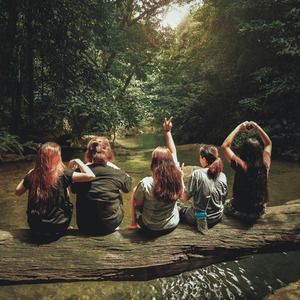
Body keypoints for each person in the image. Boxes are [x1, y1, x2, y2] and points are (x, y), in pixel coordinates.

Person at [15, 142, 95, 237]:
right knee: (65, 188)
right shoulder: (63, 174)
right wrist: (78, 161)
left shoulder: (32, 174)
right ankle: (66, 226)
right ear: (57, 158)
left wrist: (29, 174)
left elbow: (18, 192)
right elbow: (91, 175)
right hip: (58, 226)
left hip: (35, 226)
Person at [129, 117, 183, 236]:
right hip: (172, 224)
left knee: (134, 192)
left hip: (150, 227)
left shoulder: (146, 183)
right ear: (170, 162)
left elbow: (138, 205)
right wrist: (167, 132)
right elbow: (173, 152)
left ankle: (133, 223)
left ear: (154, 163)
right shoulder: (177, 175)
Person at [71, 136, 132, 234]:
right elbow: (128, 187)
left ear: (89, 153)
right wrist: (113, 166)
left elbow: (73, 190)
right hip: (109, 225)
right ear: (108, 152)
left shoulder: (80, 173)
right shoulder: (117, 172)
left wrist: (75, 171)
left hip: (84, 225)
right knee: (117, 189)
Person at [221, 121, 272, 222]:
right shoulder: (264, 165)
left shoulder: (240, 165)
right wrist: (257, 127)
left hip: (239, 211)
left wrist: (239, 128)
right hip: (257, 212)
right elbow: (268, 144)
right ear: (259, 151)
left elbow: (225, 146)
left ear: (243, 152)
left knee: (226, 203)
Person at [180, 145, 227, 232]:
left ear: (204, 159)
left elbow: (185, 198)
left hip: (202, 219)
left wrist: (180, 178)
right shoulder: (222, 175)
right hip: (217, 216)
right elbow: (222, 199)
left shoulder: (197, 174)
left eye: (200, 157)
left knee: (180, 210)